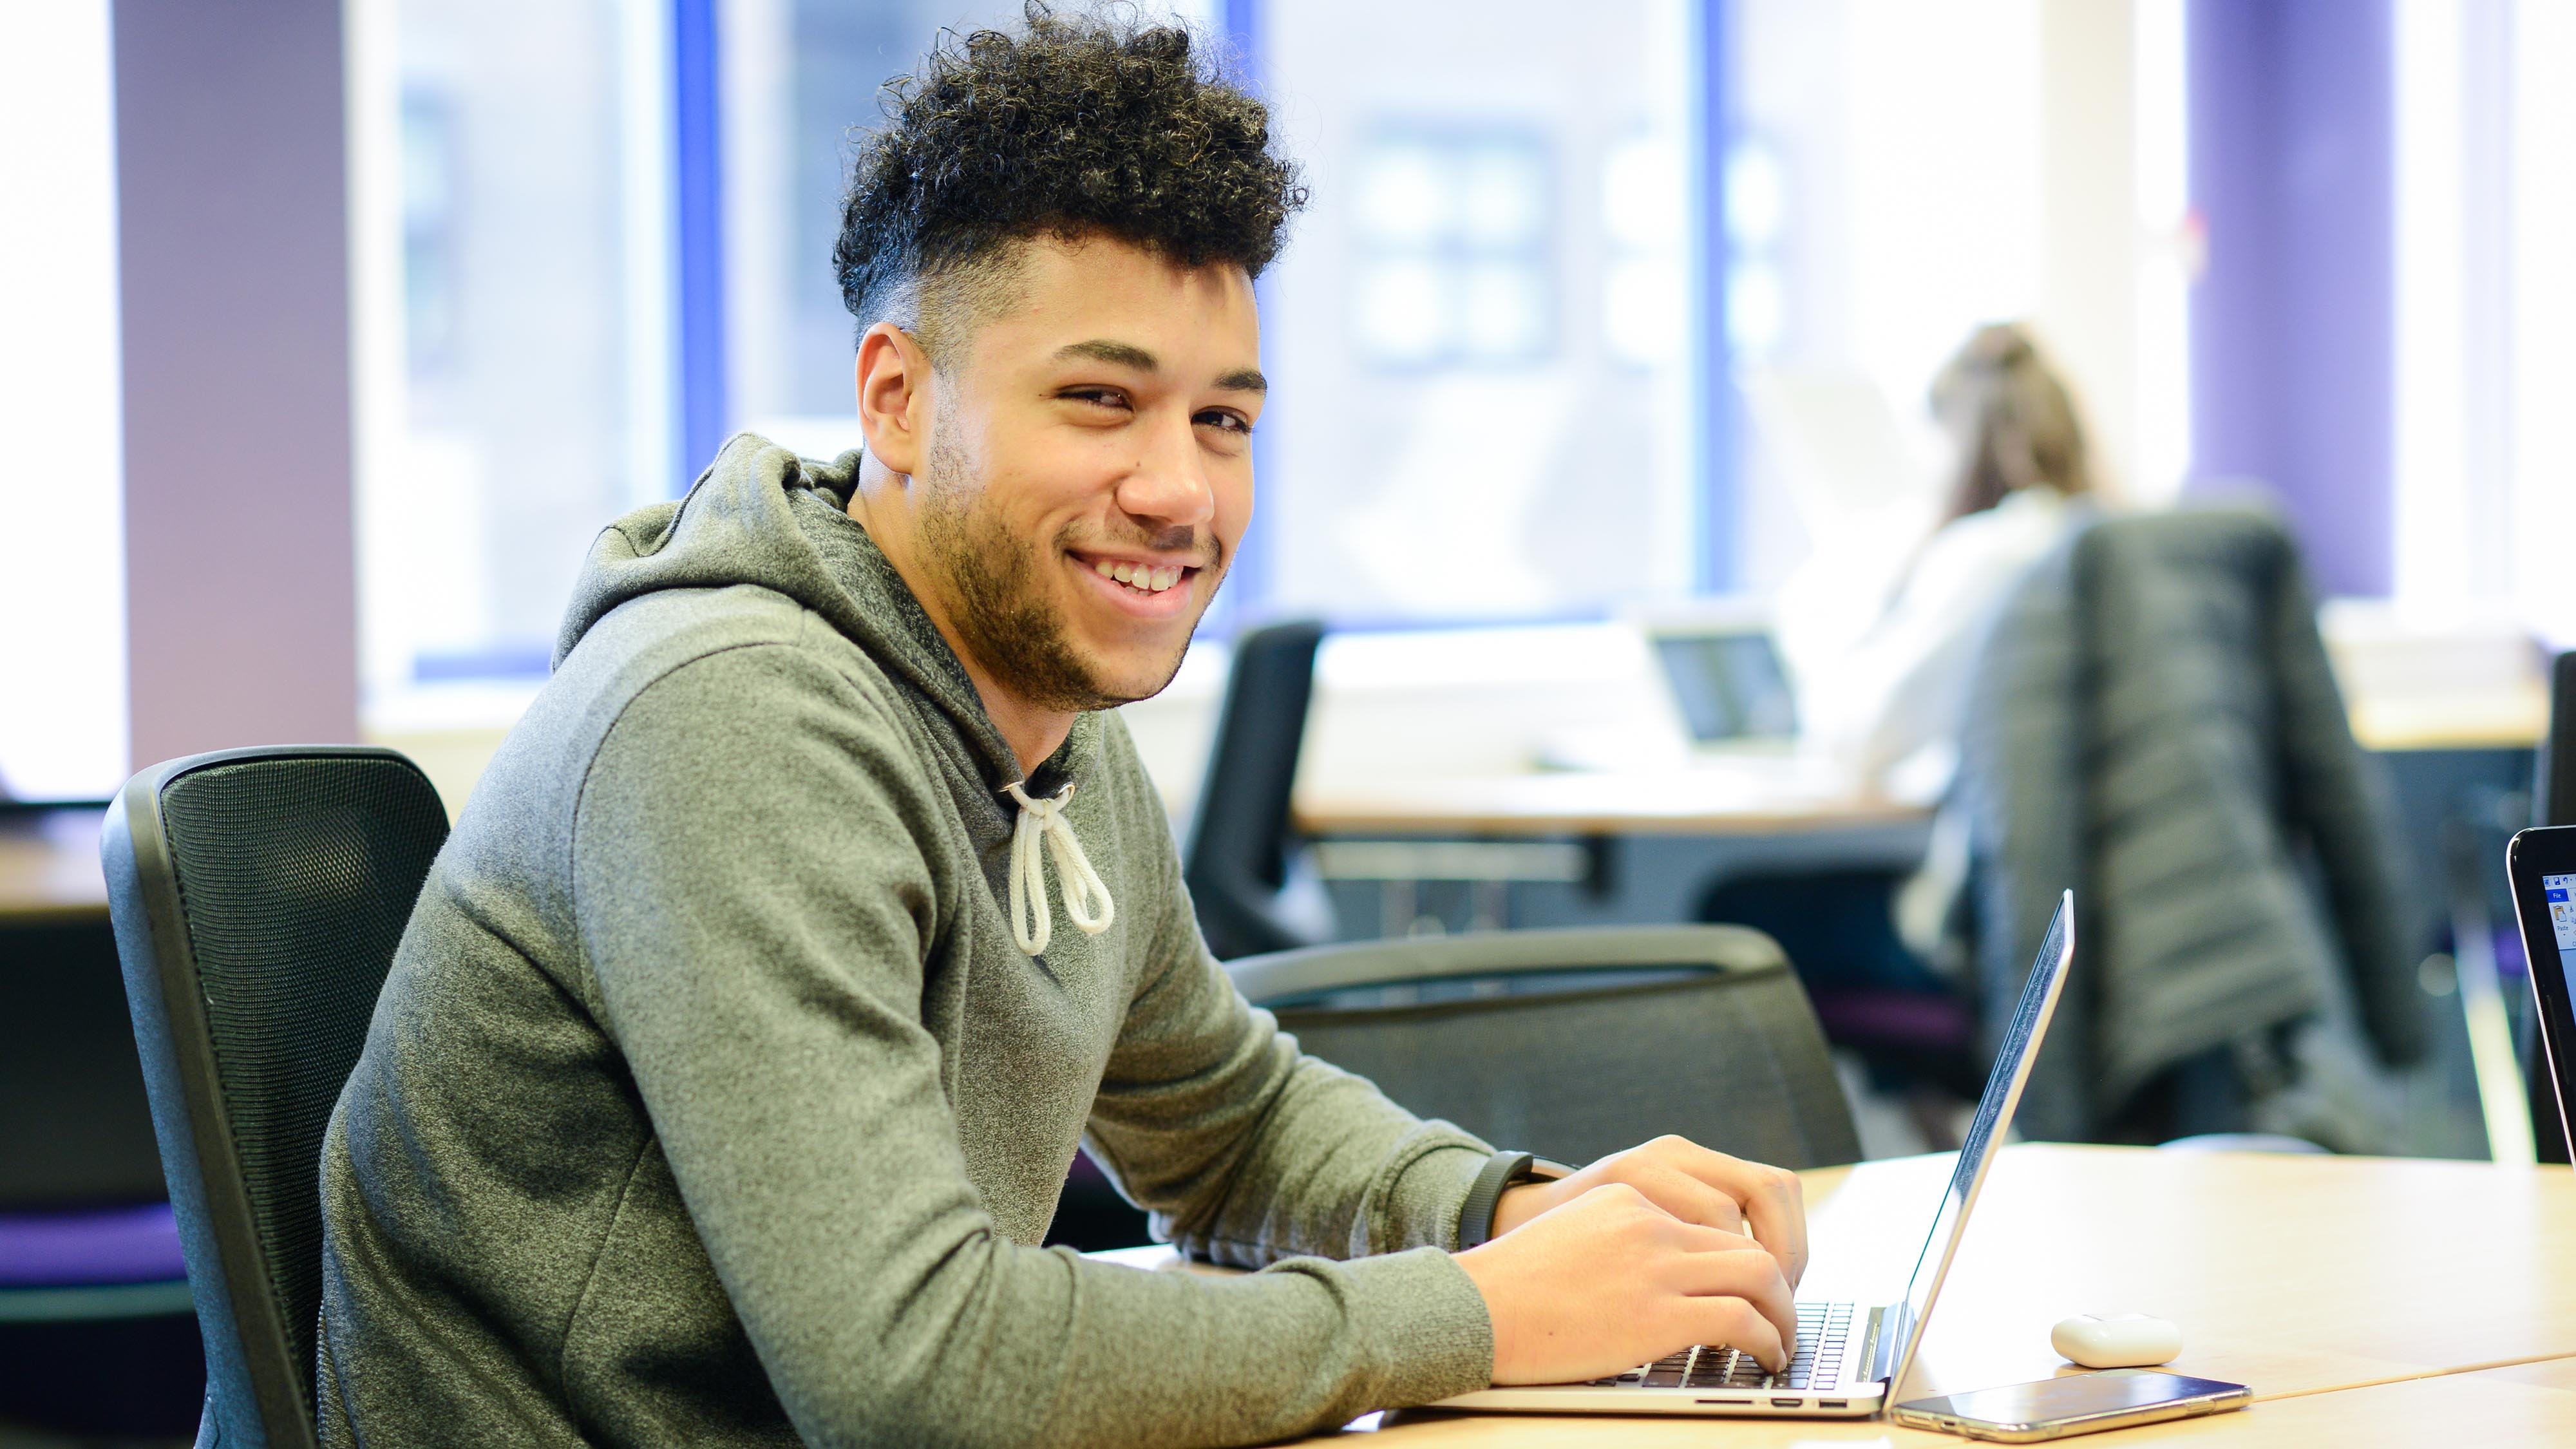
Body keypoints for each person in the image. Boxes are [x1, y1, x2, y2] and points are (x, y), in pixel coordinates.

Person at [314, 9, 1808, 1447]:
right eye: (1102, 400)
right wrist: (1475, 1309)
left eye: (1223, 420)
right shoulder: (726, 720)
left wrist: (1512, 1215)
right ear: (897, 400)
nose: (1180, 488)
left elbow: (1229, 1131)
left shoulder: (1045, 734)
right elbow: (914, 1373)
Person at [1792, 323, 2103, 803]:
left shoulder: (1991, 557)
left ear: (1960, 446)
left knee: (1736, 885)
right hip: (2084, 860)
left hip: (1992, 864)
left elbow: (1866, 736)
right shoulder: (2098, 536)